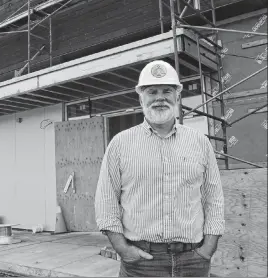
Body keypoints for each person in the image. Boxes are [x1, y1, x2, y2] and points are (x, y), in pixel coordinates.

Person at [95, 60, 225, 277]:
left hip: (193, 260)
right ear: (141, 98)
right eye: (152, 91)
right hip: (141, 262)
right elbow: (106, 202)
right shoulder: (120, 144)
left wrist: (207, 250)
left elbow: (214, 199)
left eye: (167, 90)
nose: (160, 97)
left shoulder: (199, 142)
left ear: (178, 96)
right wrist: (123, 249)